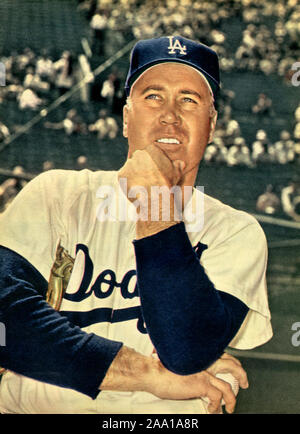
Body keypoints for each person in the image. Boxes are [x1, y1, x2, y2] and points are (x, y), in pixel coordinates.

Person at [0, 36, 272, 414]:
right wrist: (146, 374)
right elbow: (5, 325)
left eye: (189, 100)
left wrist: (155, 205)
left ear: (211, 126)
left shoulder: (235, 232)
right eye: (153, 97)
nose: (170, 115)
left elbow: (186, 351)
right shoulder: (58, 194)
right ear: (126, 117)